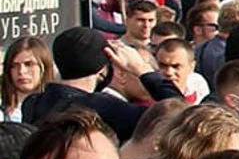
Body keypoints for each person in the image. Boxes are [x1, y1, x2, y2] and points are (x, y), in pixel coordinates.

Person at [21, 27, 187, 140]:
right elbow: (181, 114)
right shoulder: (104, 107)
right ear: (102, 69)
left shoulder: (33, 103)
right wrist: (141, 69)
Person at [3, 35, 55, 123]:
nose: (21, 71)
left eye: (29, 64)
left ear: (44, 67)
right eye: (14, 66)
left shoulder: (58, 112)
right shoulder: (2, 115)